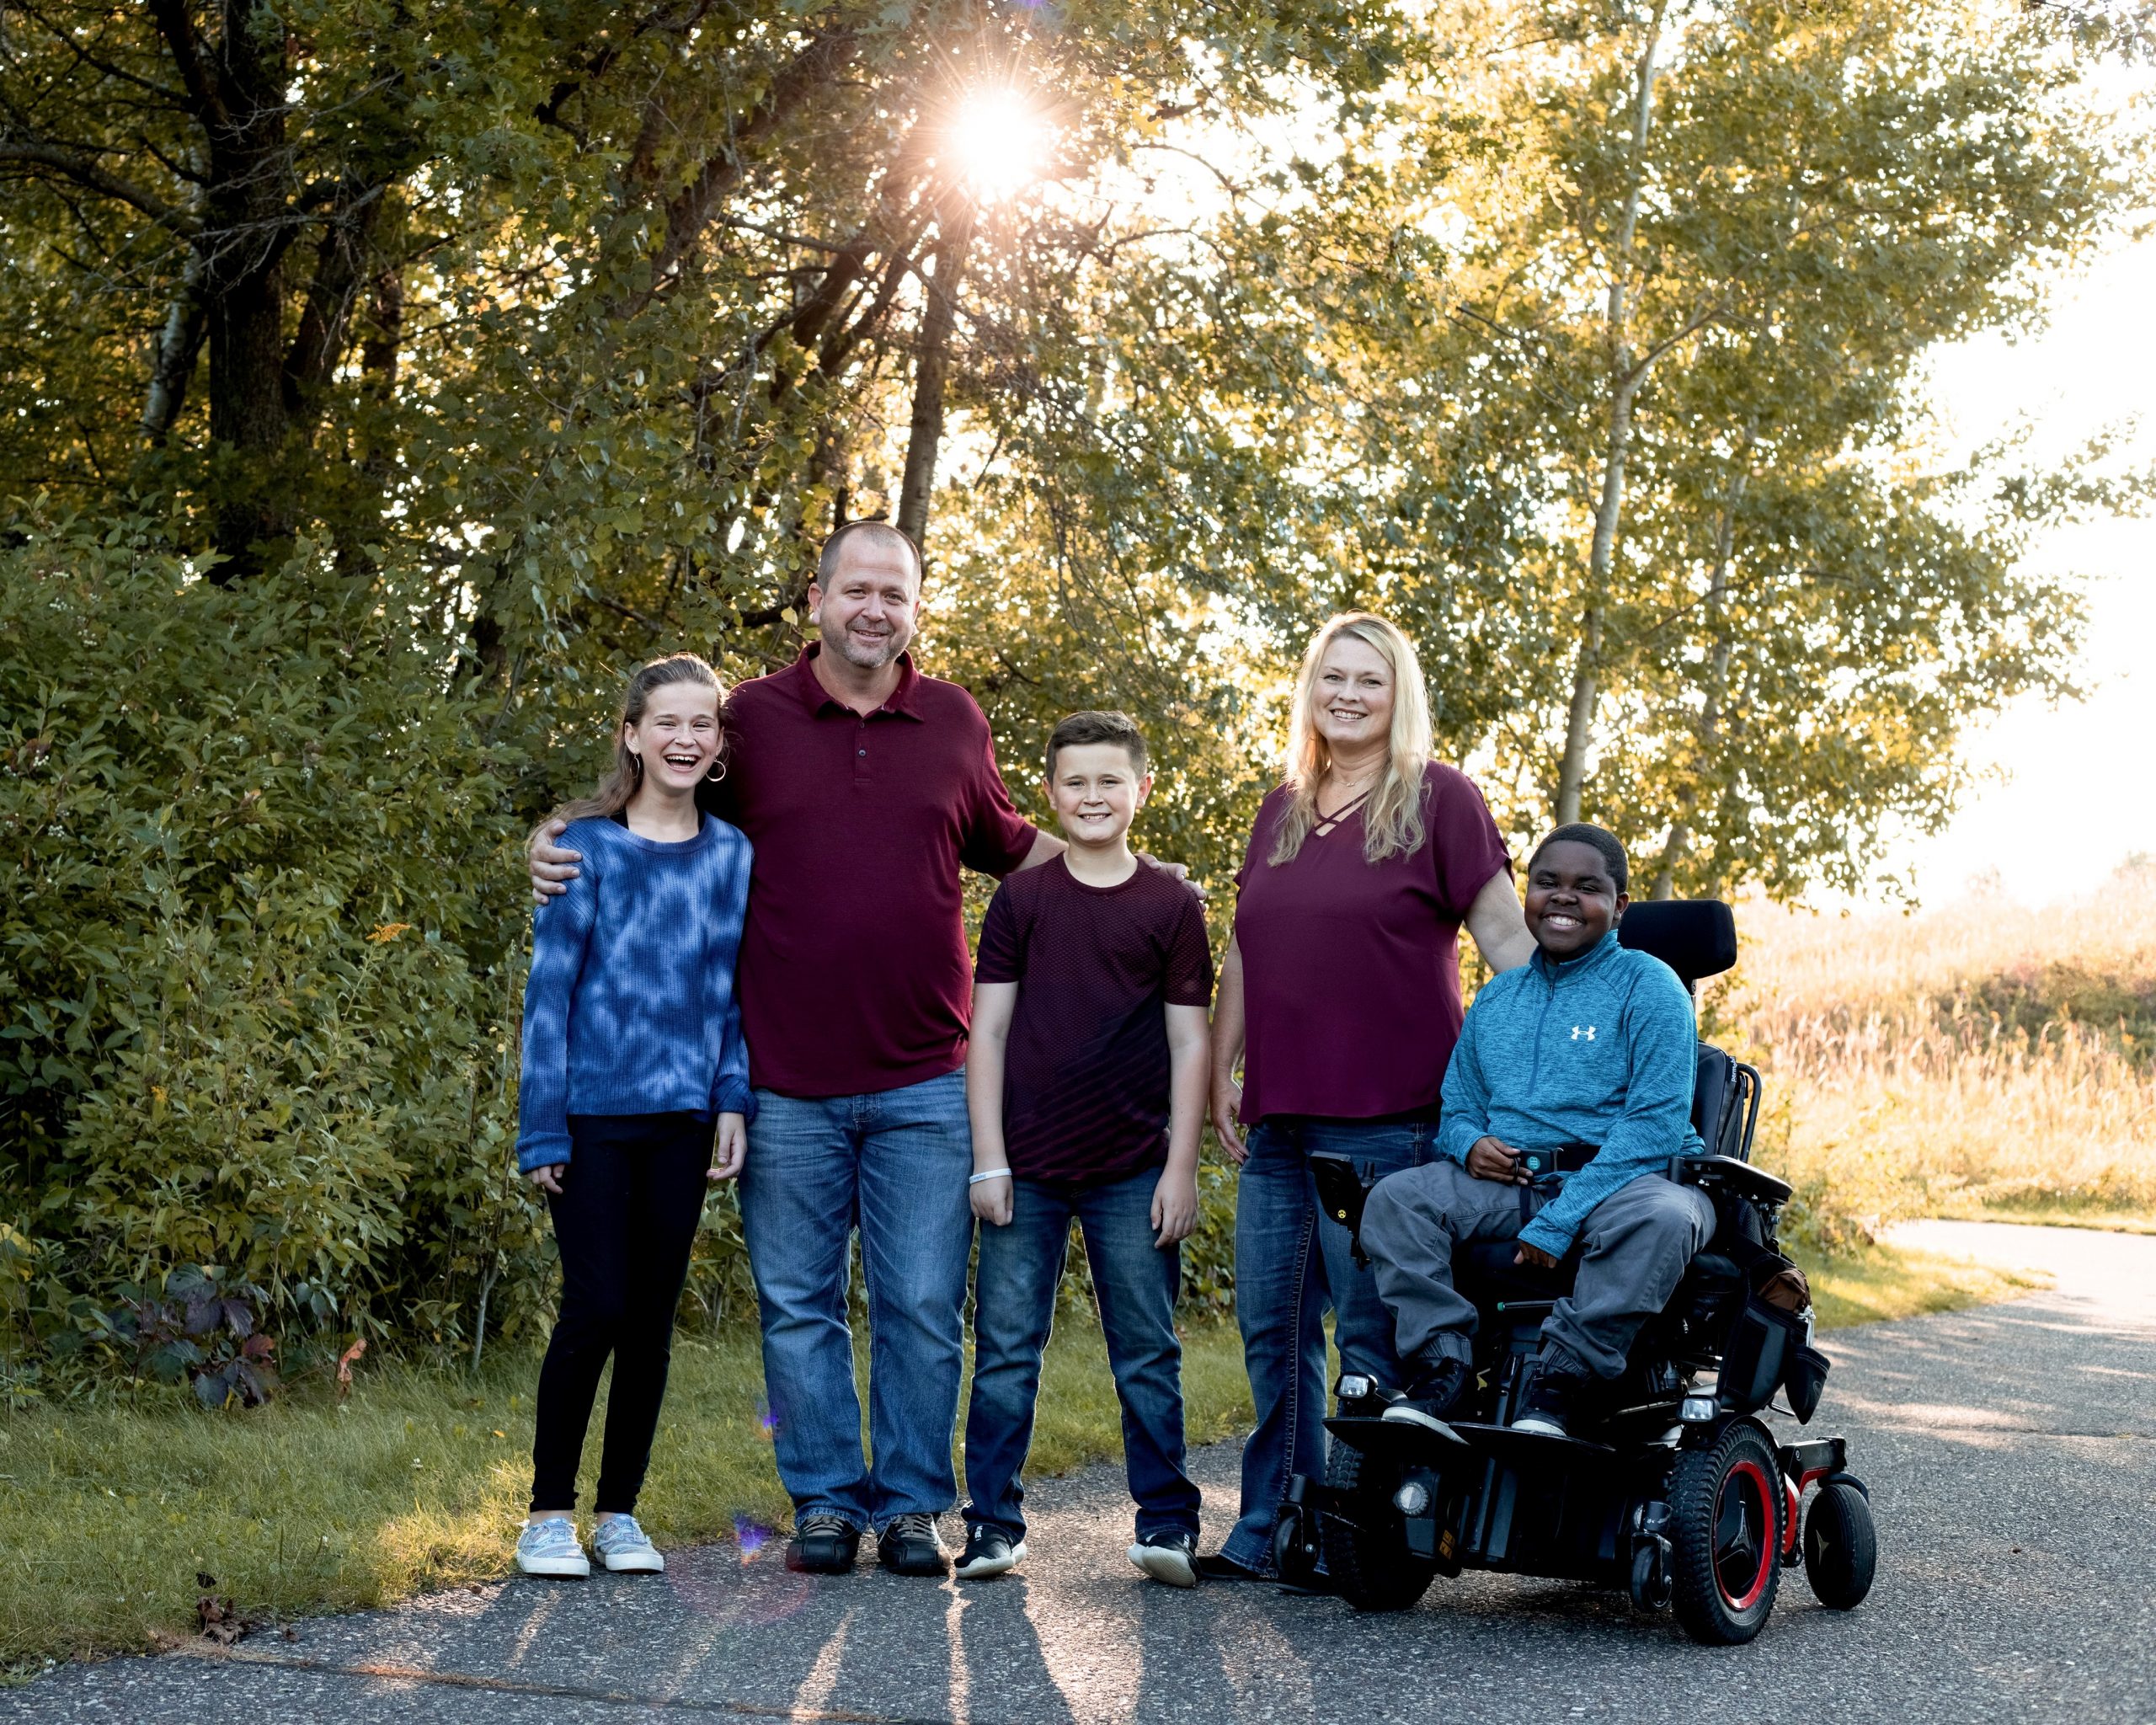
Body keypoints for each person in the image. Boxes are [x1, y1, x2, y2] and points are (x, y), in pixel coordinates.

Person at [528, 521, 1192, 1578]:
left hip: (929, 1071)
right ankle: (826, 1500)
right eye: (856, 590)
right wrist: (559, 835)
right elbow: (665, 794)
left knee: (922, 1306)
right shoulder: (751, 718)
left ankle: (913, 1506)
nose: (874, 609)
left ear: (914, 607)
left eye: (896, 592)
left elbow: (1017, 844)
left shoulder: (953, 720)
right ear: (817, 598)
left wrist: (1143, 875)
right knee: (798, 1308)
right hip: (783, 1078)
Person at [1203, 612, 1535, 1581]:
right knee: (1272, 1331)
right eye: (1332, 677)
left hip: (1394, 1121)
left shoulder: (1440, 800)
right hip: (1281, 1118)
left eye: (1369, 681)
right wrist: (1227, 1064)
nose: (1347, 694)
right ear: (1310, 689)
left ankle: (1363, 1535)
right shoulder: (1281, 808)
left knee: (1371, 1337)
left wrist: (1557, 1070)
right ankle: (1272, 1525)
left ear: (1399, 698)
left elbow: (1508, 948)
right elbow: (1245, 949)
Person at [957, 711, 1214, 1589]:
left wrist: (1180, 1166)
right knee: (1003, 1352)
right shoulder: (1022, 900)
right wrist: (987, 1158)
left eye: (1111, 780)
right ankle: (992, 1522)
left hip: (1133, 1168)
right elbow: (986, 1033)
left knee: (1146, 1349)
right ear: (1052, 792)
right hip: (1023, 1166)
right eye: (1076, 781)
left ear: (1142, 789)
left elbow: (1190, 1043)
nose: (1093, 795)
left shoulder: (1172, 906)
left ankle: (1168, 1523)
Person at [513, 654, 754, 1580]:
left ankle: (618, 1511)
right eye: (667, 722)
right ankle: (546, 1511)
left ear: (718, 743)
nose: (685, 738)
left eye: (702, 723)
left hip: (683, 1118)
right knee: (597, 1303)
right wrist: (542, 1125)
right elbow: (549, 994)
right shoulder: (585, 846)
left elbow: (731, 990)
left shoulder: (732, 853)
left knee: (650, 1319)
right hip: (592, 1116)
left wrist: (731, 1099)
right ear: (631, 733)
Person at [1358, 823, 1716, 1439]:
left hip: (1626, 1182)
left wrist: (1559, 1220)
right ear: (1526, 895)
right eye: (1547, 882)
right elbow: (1459, 1106)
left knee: (1664, 1217)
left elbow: (1654, 1127)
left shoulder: (1648, 986)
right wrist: (1468, 1144)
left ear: (1619, 906)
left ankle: (1563, 1378)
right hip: (1516, 1181)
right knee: (1396, 1199)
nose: (1563, 897)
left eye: (1587, 887)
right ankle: (1444, 1367)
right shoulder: (1499, 999)